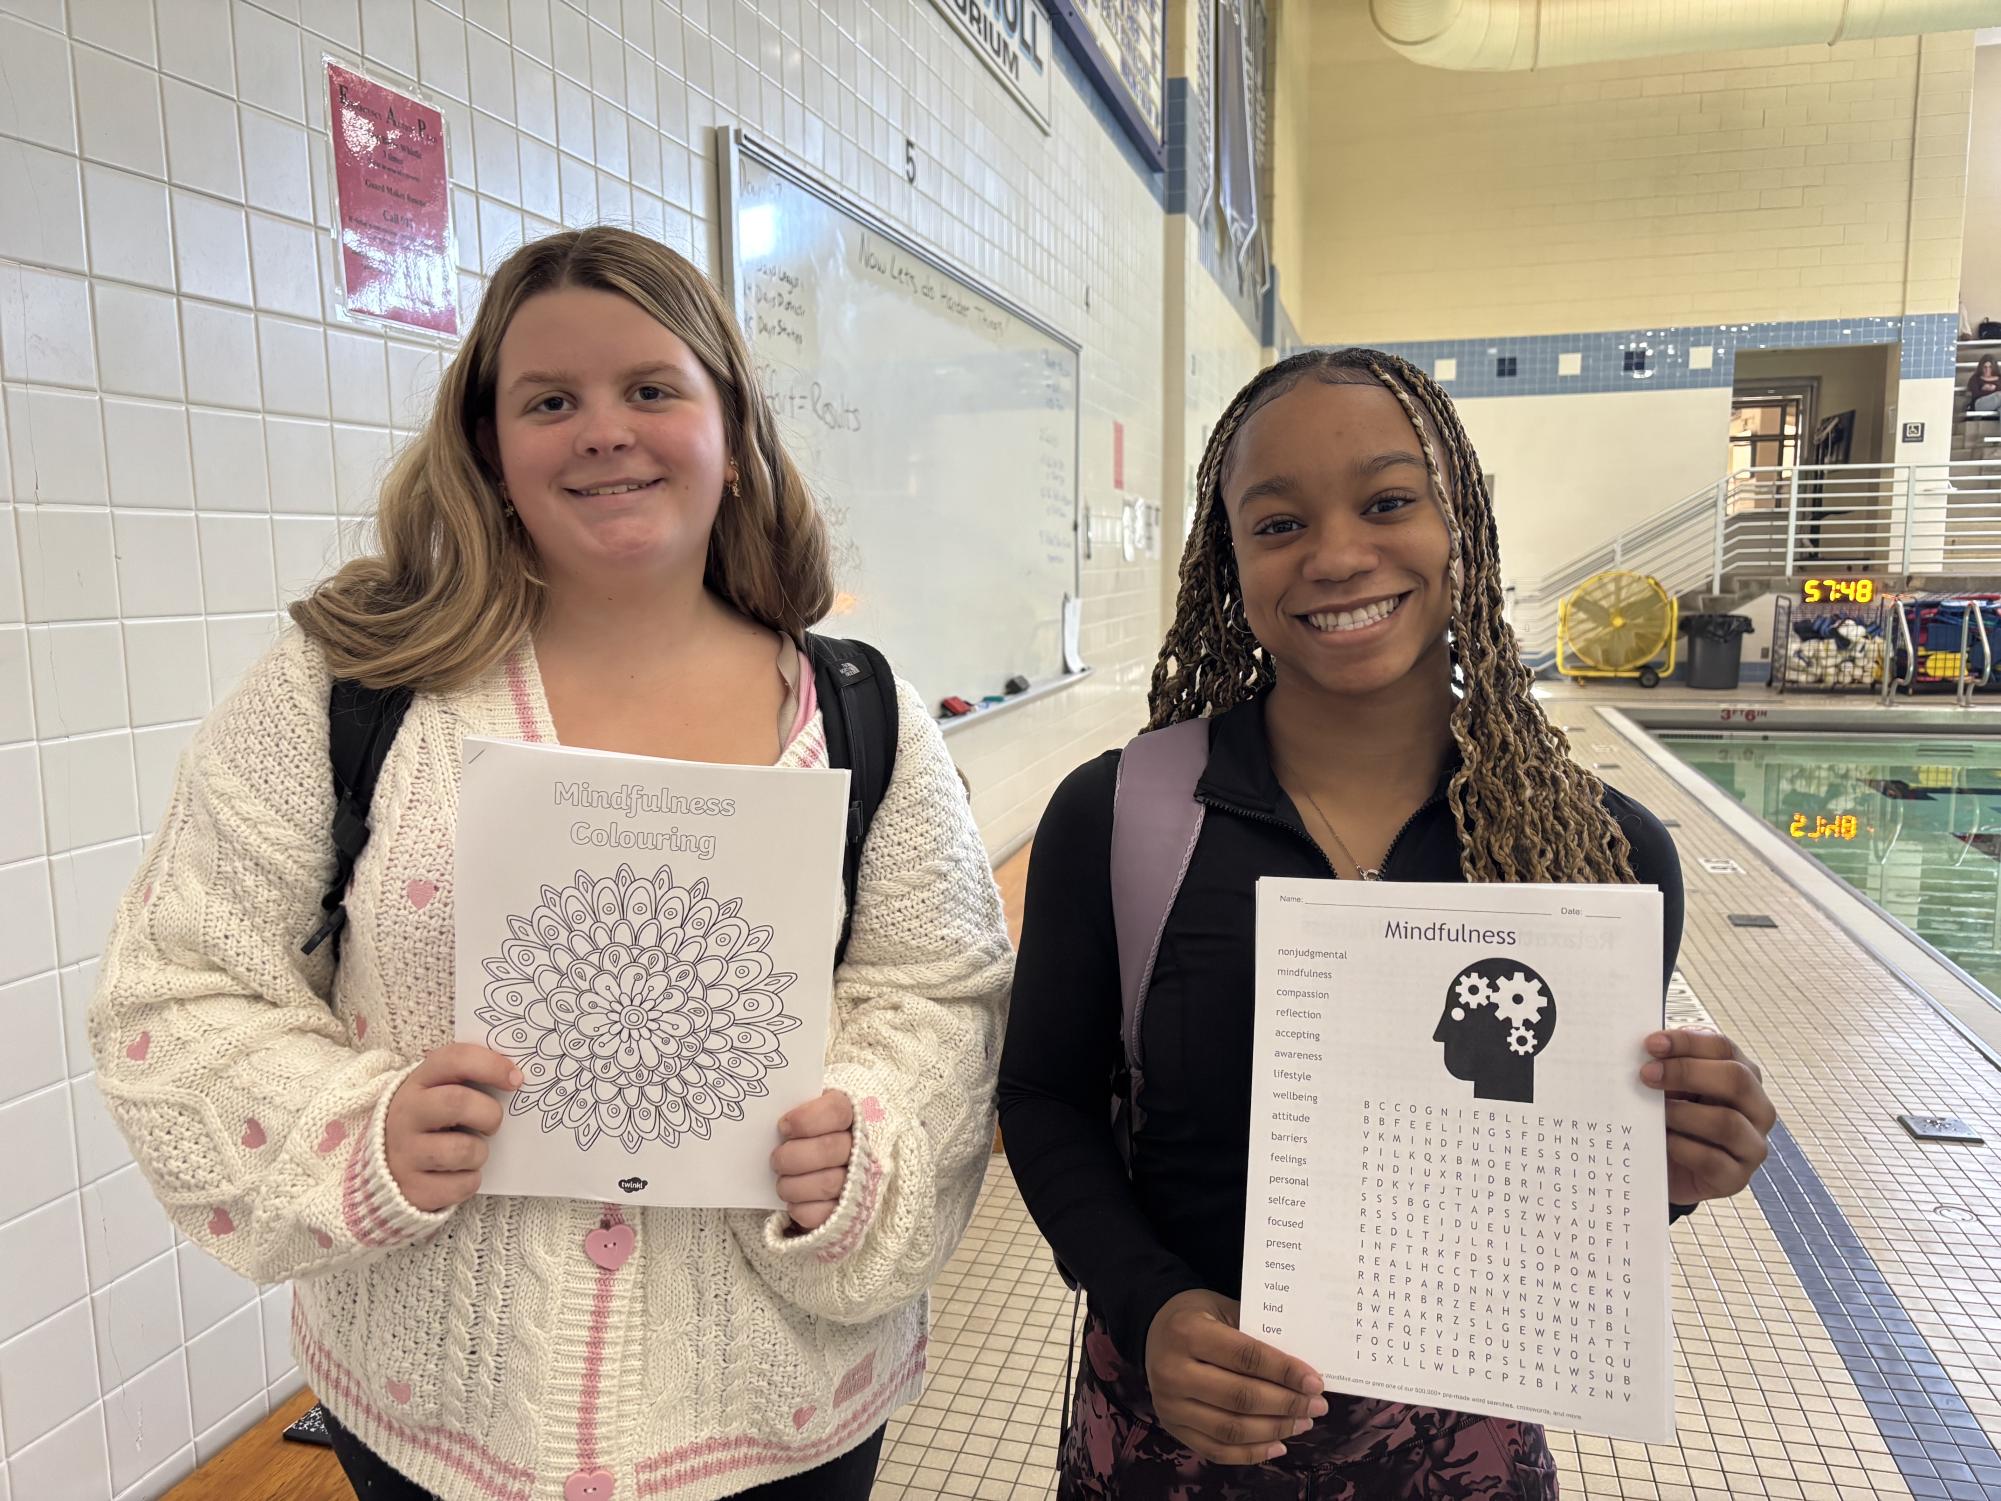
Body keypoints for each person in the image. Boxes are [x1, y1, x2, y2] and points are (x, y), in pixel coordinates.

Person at [89, 227, 1012, 1501]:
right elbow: (179, 986)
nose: (602, 430)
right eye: (549, 400)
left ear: (731, 433)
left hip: (781, 1418)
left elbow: (942, 992)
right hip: (436, 1421)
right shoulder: (351, 690)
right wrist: (360, 1135)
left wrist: (864, 1145)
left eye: (650, 388)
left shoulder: (863, 713)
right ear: (489, 449)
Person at [999, 348, 1778, 1498]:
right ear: (1232, 563)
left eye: (1388, 500)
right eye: (1277, 523)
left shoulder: (1600, 857)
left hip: (1455, 1456)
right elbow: (1045, 1096)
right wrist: (1149, 1304)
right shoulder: (1118, 816)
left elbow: (1561, 1187)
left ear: (1464, 525)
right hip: (1173, 1442)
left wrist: (1673, 1164)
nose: (1337, 554)